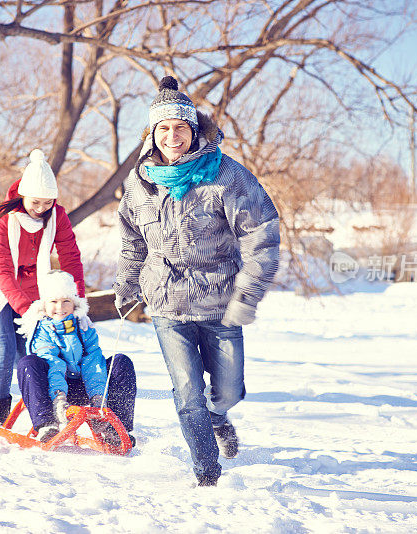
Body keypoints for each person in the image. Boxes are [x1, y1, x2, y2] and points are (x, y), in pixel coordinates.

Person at [113, 76, 280, 486]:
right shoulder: (139, 182)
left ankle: (219, 416)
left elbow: (263, 236)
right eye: (164, 128)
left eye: (181, 127)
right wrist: (127, 285)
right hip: (167, 305)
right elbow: (133, 240)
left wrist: (247, 297)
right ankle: (207, 473)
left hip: (222, 303)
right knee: (187, 394)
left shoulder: (227, 176)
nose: (173, 136)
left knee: (227, 392)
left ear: (194, 131)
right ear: (153, 134)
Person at [0, 149, 86, 426]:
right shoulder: (3, 217)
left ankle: (43, 413)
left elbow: (70, 256)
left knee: (34, 354)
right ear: (23, 195)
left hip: (35, 291)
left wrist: (78, 300)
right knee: (5, 350)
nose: (42, 208)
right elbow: (1, 270)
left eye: (48, 202)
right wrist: (28, 311)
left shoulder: (57, 216)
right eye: (36, 201)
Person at [15, 270, 137, 445]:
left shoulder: (84, 327)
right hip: (53, 390)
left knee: (121, 361)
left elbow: (93, 362)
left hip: (86, 386)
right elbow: (53, 364)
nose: (60, 307)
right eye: (53, 301)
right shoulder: (40, 331)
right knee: (28, 363)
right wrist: (58, 399)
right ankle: (46, 426)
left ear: (75, 304)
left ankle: (116, 428)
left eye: (66, 301)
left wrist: (98, 398)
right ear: (44, 305)